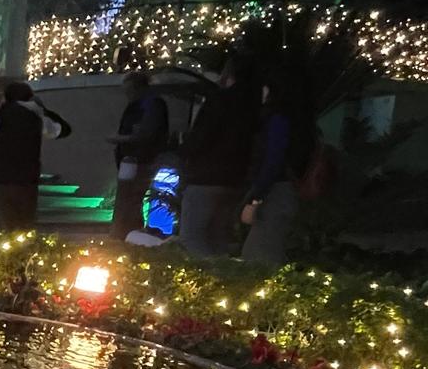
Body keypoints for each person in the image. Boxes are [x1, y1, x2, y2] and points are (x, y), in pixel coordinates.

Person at [177, 54, 261, 256]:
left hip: (206, 177)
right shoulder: (252, 104)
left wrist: (184, 150)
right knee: (218, 236)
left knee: (192, 237)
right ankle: (222, 279)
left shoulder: (219, 100)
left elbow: (201, 137)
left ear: (228, 72)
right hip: (235, 178)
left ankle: (206, 280)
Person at [0, 80, 68, 230]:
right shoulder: (39, 118)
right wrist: (44, 110)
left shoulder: (0, 118)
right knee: (26, 222)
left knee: (7, 222)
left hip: (5, 177)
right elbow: (64, 129)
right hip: (29, 177)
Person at [239, 88, 318, 267]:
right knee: (265, 253)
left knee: (258, 258)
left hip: (275, 192)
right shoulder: (301, 122)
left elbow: (272, 162)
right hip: (286, 190)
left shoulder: (278, 121)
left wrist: (255, 199)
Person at [108, 70, 170, 239]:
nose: (127, 95)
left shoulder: (149, 105)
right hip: (134, 159)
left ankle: (126, 235)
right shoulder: (144, 104)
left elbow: (145, 134)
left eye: (129, 91)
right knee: (130, 200)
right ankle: (127, 235)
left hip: (140, 159)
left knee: (130, 200)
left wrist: (122, 139)